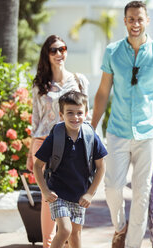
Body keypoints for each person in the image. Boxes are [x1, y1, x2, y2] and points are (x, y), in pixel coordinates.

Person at [91, 1, 153, 247]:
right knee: (112, 187)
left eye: (139, 19)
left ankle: (132, 245)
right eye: (131, 19)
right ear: (125, 21)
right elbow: (102, 92)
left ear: (147, 21)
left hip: (148, 132)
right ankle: (120, 228)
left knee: (142, 193)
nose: (135, 24)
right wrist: (90, 128)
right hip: (118, 130)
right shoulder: (113, 52)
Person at [26, 34, 91, 248]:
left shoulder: (79, 80)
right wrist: (30, 153)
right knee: (49, 195)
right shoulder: (40, 85)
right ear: (47, 54)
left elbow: (86, 116)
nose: (58, 54)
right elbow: (36, 120)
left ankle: (67, 241)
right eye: (53, 50)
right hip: (44, 141)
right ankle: (48, 243)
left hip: (71, 144)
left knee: (71, 190)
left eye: (62, 49)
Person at [33, 90, 107, 248]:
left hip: (79, 195)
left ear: (86, 113)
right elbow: (37, 166)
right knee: (65, 230)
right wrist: (45, 191)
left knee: (75, 235)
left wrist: (89, 193)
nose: (75, 117)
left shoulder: (91, 137)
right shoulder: (55, 137)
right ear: (61, 115)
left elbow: (101, 168)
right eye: (70, 113)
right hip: (57, 194)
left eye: (79, 113)